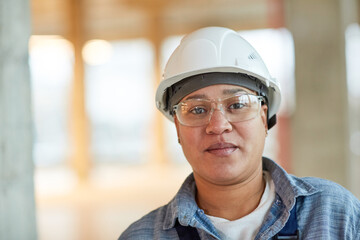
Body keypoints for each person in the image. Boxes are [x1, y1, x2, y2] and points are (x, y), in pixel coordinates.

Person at [119, 26, 360, 240]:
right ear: (178, 128)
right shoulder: (143, 236)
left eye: (237, 105)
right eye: (197, 109)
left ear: (264, 118)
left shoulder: (334, 214)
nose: (218, 125)